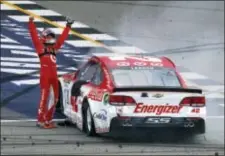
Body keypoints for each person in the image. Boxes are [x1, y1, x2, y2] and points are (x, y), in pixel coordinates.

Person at [28, 16, 74, 129]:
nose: (51, 39)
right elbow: (33, 35)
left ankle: (48, 119)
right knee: (44, 98)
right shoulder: (39, 46)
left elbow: (62, 38)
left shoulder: (54, 48)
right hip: (45, 77)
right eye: (49, 37)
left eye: (52, 37)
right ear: (44, 38)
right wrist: (31, 23)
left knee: (55, 98)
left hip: (54, 76)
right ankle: (40, 120)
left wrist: (68, 26)